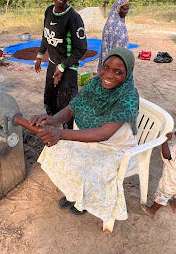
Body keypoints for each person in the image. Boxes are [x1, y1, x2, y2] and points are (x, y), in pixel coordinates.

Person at [29, 47, 139, 228]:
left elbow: (105, 133)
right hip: (91, 140)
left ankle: (83, 200)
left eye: (118, 72)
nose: (109, 75)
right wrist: (51, 121)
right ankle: (74, 193)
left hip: (116, 149)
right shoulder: (95, 85)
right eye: (106, 67)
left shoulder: (128, 96)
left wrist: (62, 133)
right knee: (58, 152)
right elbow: (72, 108)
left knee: (93, 168)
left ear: (128, 74)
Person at [35, 0, 87, 129]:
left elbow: (81, 48)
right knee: (50, 97)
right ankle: (52, 128)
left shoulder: (73, 18)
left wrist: (63, 66)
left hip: (68, 68)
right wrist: (39, 55)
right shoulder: (48, 11)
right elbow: (46, 34)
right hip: (52, 64)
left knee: (66, 104)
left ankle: (68, 134)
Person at [97, 0, 130, 73]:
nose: (126, 12)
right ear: (117, 8)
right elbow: (106, 48)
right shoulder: (111, 25)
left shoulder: (122, 23)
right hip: (113, 61)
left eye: (127, 9)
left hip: (121, 58)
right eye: (124, 9)